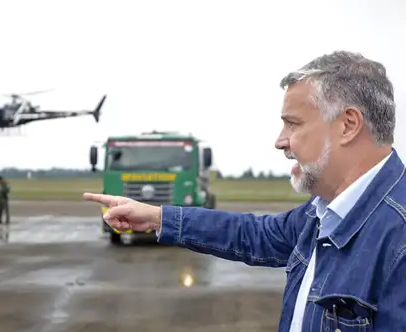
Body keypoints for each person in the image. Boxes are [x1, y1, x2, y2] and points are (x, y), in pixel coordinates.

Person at [83, 50, 406, 330]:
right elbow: (255, 235)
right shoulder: (325, 211)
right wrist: (157, 216)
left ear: (348, 125)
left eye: (293, 123)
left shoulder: (399, 237)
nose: (280, 141)